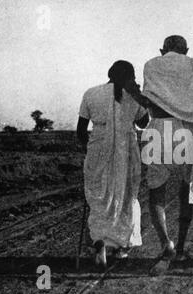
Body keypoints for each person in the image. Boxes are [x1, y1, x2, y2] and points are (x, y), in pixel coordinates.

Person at [128, 35, 193, 274]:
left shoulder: (151, 65)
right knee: (186, 189)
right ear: (186, 50)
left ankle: (167, 245)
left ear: (162, 50)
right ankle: (182, 245)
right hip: (185, 131)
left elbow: (148, 98)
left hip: (157, 129)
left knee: (156, 192)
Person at [77, 60, 149, 268]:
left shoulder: (91, 93)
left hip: (98, 148)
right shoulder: (133, 97)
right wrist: (140, 97)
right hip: (126, 149)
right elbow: (144, 123)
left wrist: (90, 149)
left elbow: (81, 131)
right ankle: (120, 246)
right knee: (126, 196)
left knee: (99, 197)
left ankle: (100, 241)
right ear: (130, 76)